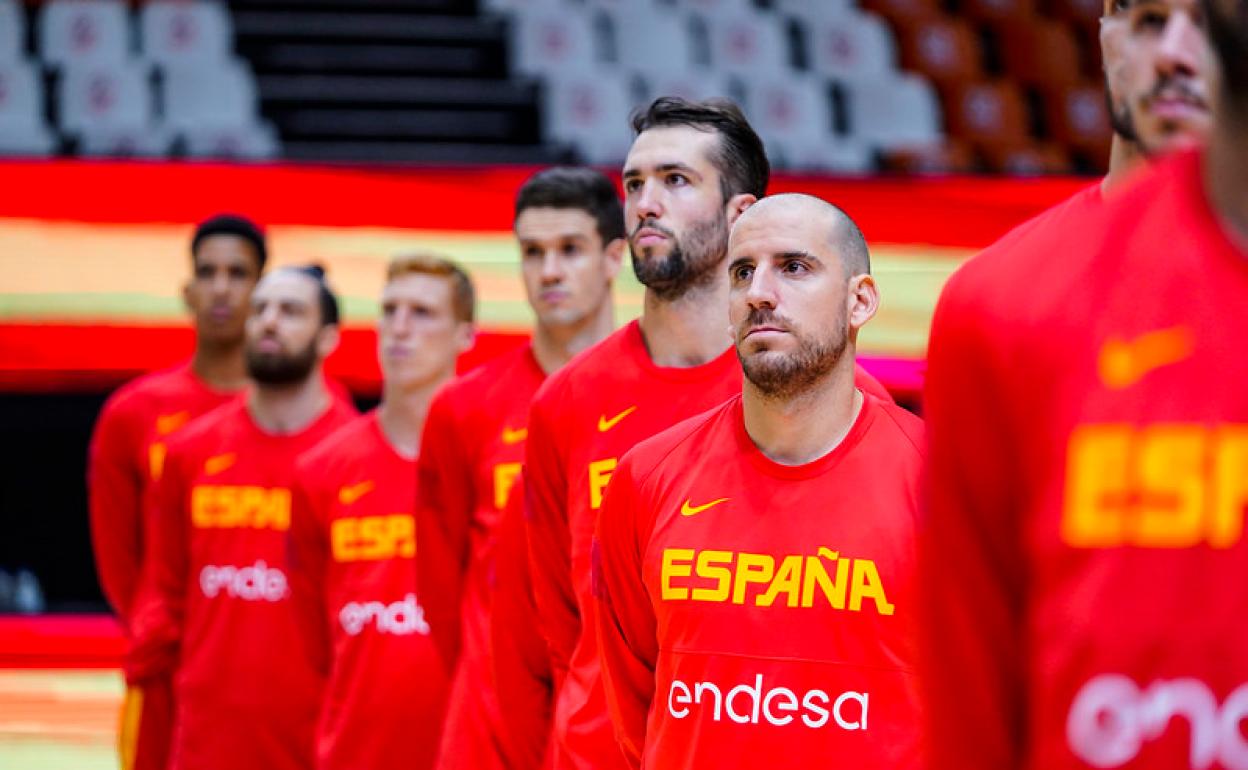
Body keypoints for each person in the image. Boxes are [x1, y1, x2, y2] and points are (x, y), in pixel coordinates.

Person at [920, 1, 1248, 766]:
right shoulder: (999, 301)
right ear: (1100, 33)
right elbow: (969, 683)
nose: (1176, 52)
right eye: (1147, 20)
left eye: (1205, 21)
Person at [524, 97, 891, 770]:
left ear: (741, 214)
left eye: (675, 180)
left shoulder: (839, 401)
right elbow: (555, 624)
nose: (644, 203)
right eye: (633, 184)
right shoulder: (565, 401)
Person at [596, 194, 925, 769]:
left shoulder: (942, 484)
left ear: (861, 300)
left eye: (794, 267)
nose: (759, 293)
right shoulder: (645, 477)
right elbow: (634, 713)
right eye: (742, 272)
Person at [414, 167, 625, 770]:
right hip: (488, 731)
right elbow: (440, 588)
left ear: (614, 258)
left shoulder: (655, 397)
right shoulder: (462, 407)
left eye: (569, 250)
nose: (549, 271)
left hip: (609, 724)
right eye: (532, 253)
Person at [125, 265, 358, 770]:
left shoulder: (359, 459)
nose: (268, 322)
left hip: (320, 740)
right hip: (206, 743)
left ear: (328, 339)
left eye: (290, 311)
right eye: (260, 310)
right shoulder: (189, 453)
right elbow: (161, 602)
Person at [87, 213, 265, 770]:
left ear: (262, 291)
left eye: (238, 273)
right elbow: (119, 556)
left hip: (268, 662)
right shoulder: (133, 413)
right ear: (186, 290)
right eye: (207, 272)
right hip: (166, 668)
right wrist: (156, 630)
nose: (221, 287)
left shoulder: (302, 416)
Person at [288, 255, 475, 770]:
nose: (399, 327)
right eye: (389, 310)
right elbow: (308, 643)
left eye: (421, 312)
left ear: (466, 335)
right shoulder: (321, 470)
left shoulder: (503, 463)